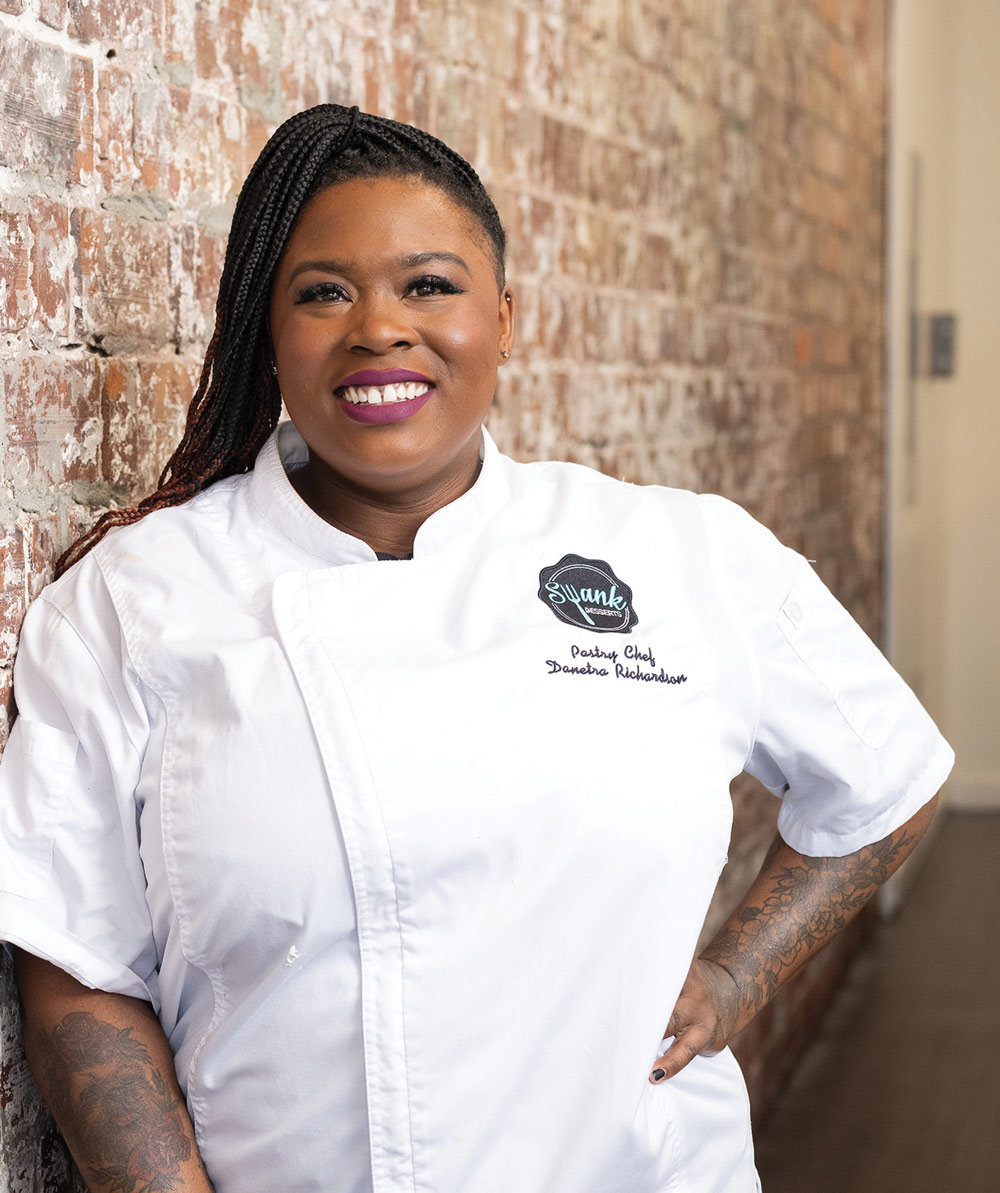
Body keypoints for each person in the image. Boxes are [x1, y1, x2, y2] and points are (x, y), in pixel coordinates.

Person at [0, 104, 952, 1193]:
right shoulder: (137, 601)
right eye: (322, 292)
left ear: (504, 318)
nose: (377, 328)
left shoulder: (679, 554)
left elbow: (888, 775)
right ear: (269, 330)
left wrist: (740, 972)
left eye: (429, 285)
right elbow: (77, 969)